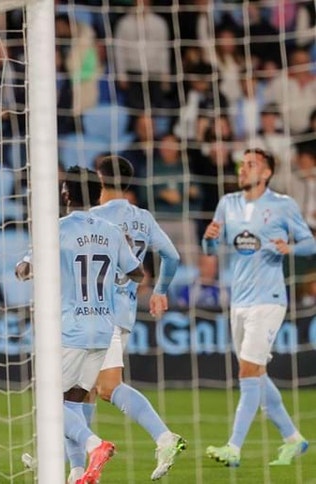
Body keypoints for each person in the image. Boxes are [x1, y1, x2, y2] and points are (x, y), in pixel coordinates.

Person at [15, 166, 143, 484]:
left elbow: (24, 271)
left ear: (65, 193)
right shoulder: (112, 231)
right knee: (72, 401)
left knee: (51, 406)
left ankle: (94, 445)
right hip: (103, 329)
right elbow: (138, 274)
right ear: (98, 195)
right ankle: (78, 472)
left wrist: (23, 266)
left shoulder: (55, 229)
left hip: (70, 328)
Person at [203, 148, 315, 467]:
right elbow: (211, 248)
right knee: (257, 374)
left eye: (251, 165)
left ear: (265, 173)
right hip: (238, 300)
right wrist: (209, 238)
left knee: (247, 371)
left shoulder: (283, 205)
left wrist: (289, 247)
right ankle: (293, 439)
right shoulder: (228, 203)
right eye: (242, 164)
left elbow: (310, 241)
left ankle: (233, 447)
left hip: (269, 300)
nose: (243, 169)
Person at [86, 155, 186, 480]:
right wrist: (160, 291)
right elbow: (172, 255)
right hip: (125, 313)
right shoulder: (142, 218)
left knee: (106, 387)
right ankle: (80, 463)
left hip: (96, 312)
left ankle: (163, 436)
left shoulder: (91, 217)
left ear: (99, 179)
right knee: (82, 387)